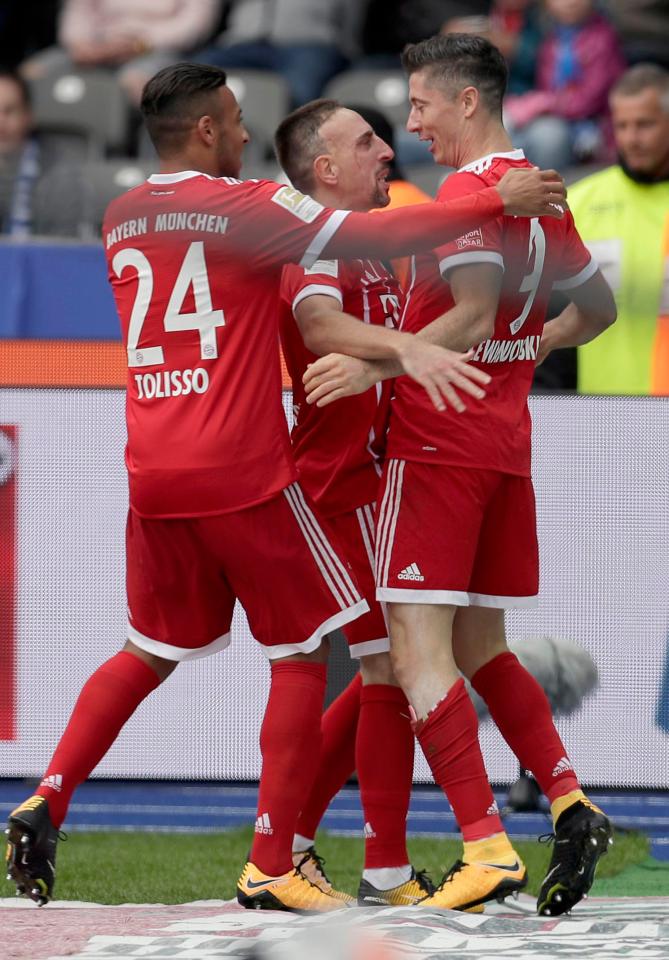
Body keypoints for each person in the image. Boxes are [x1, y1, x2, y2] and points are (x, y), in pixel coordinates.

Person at [4, 61, 565, 913]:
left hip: (153, 470)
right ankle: (285, 854)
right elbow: (353, 257)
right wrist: (495, 204)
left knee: (150, 649)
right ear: (204, 130)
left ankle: (50, 791)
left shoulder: (120, 216)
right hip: (254, 473)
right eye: (231, 120)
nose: (240, 132)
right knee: (319, 657)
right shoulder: (254, 209)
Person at [304, 33, 617, 916]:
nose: (411, 124)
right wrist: (539, 342)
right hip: (504, 446)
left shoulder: (473, 193)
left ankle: (484, 843)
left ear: (467, 102)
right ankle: (566, 799)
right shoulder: (539, 197)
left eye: (420, 106)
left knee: (412, 652)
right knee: (482, 648)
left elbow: (473, 314)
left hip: (437, 445)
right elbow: (593, 308)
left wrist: (377, 367)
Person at [276, 99, 491, 908]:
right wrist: (399, 354)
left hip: (367, 475)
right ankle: (379, 867)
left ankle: (299, 844)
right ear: (323, 169)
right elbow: (323, 328)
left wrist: (386, 368)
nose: (384, 148)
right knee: (386, 669)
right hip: (337, 484)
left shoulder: (366, 250)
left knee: (386, 674)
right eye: (363, 141)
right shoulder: (317, 246)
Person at [564, 63, 669, 395]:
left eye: (644, 124)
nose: (631, 138)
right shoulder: (579, 203)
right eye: (621, 125)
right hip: (603, 414)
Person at [21, 0, 223, 106]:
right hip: (96, 45)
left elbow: (195, 25)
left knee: (137, 82)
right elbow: (77, 11)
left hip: (158, 49)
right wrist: (81, 44)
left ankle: (136, 158)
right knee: (29, 73)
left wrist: (141, 43)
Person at [505, 0, 625, 170]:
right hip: (562, 117)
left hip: (597, 126)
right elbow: (546, 85)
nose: (571, 3)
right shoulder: (551, 42)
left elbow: (590, 99)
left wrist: (545, 103)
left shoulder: (603, 39)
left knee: (549, 138)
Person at [195, 0, 361, 108]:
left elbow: (353, 14)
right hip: (244, 41)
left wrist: (346, 44)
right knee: (194, 78)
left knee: (300, 92)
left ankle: (292, 152)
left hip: (310, 41)